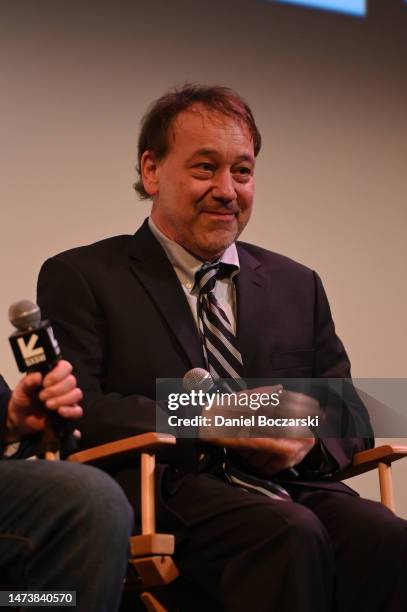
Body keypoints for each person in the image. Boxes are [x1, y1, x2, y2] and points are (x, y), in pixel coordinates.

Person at [37, 85, 406, 612]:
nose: (227, 190)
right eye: (205, 168)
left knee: (387, 538)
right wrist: (207, 416)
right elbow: (80, 410)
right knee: (286, 533)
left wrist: (305, 437)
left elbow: (348, 411)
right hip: (168, 490)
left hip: (290, 483)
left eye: (243, 171)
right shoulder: (83, 275)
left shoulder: (296, 284)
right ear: (151, 171)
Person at [0, 361, 133, 611]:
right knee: (91, 502)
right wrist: (197, 420)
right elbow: (93, 406)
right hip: (153, 474)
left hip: (215, 471)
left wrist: (9, 422)